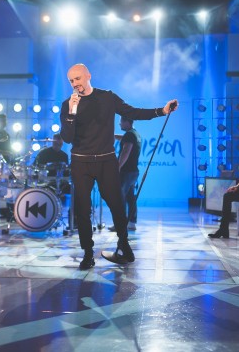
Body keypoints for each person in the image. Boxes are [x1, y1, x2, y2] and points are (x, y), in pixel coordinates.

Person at [60, 63, 178, 269]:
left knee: (117, 205)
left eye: (77, 78)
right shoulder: (68, 105)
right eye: (71, 81)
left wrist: (162, 111)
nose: (74, 83)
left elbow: (132, 112)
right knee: (82, 210)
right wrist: (71, 112)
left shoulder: (107, 97)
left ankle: (124, 246)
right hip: (80, 162)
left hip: (106, 161)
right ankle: (88, 254)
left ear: (88, 76)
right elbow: (67, 138)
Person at [108, 117, 141, 232]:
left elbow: (126, 151)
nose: (119, 124)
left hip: (126, 172)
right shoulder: (135, 134)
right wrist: (112, 136)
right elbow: (124, 139)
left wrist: (117, 167)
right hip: (133, 172)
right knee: (130, 198)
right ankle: (131, 223)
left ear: (127, 122)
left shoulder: (129, 135)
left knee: (119, 198)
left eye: (121, 121)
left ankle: (119, 224)